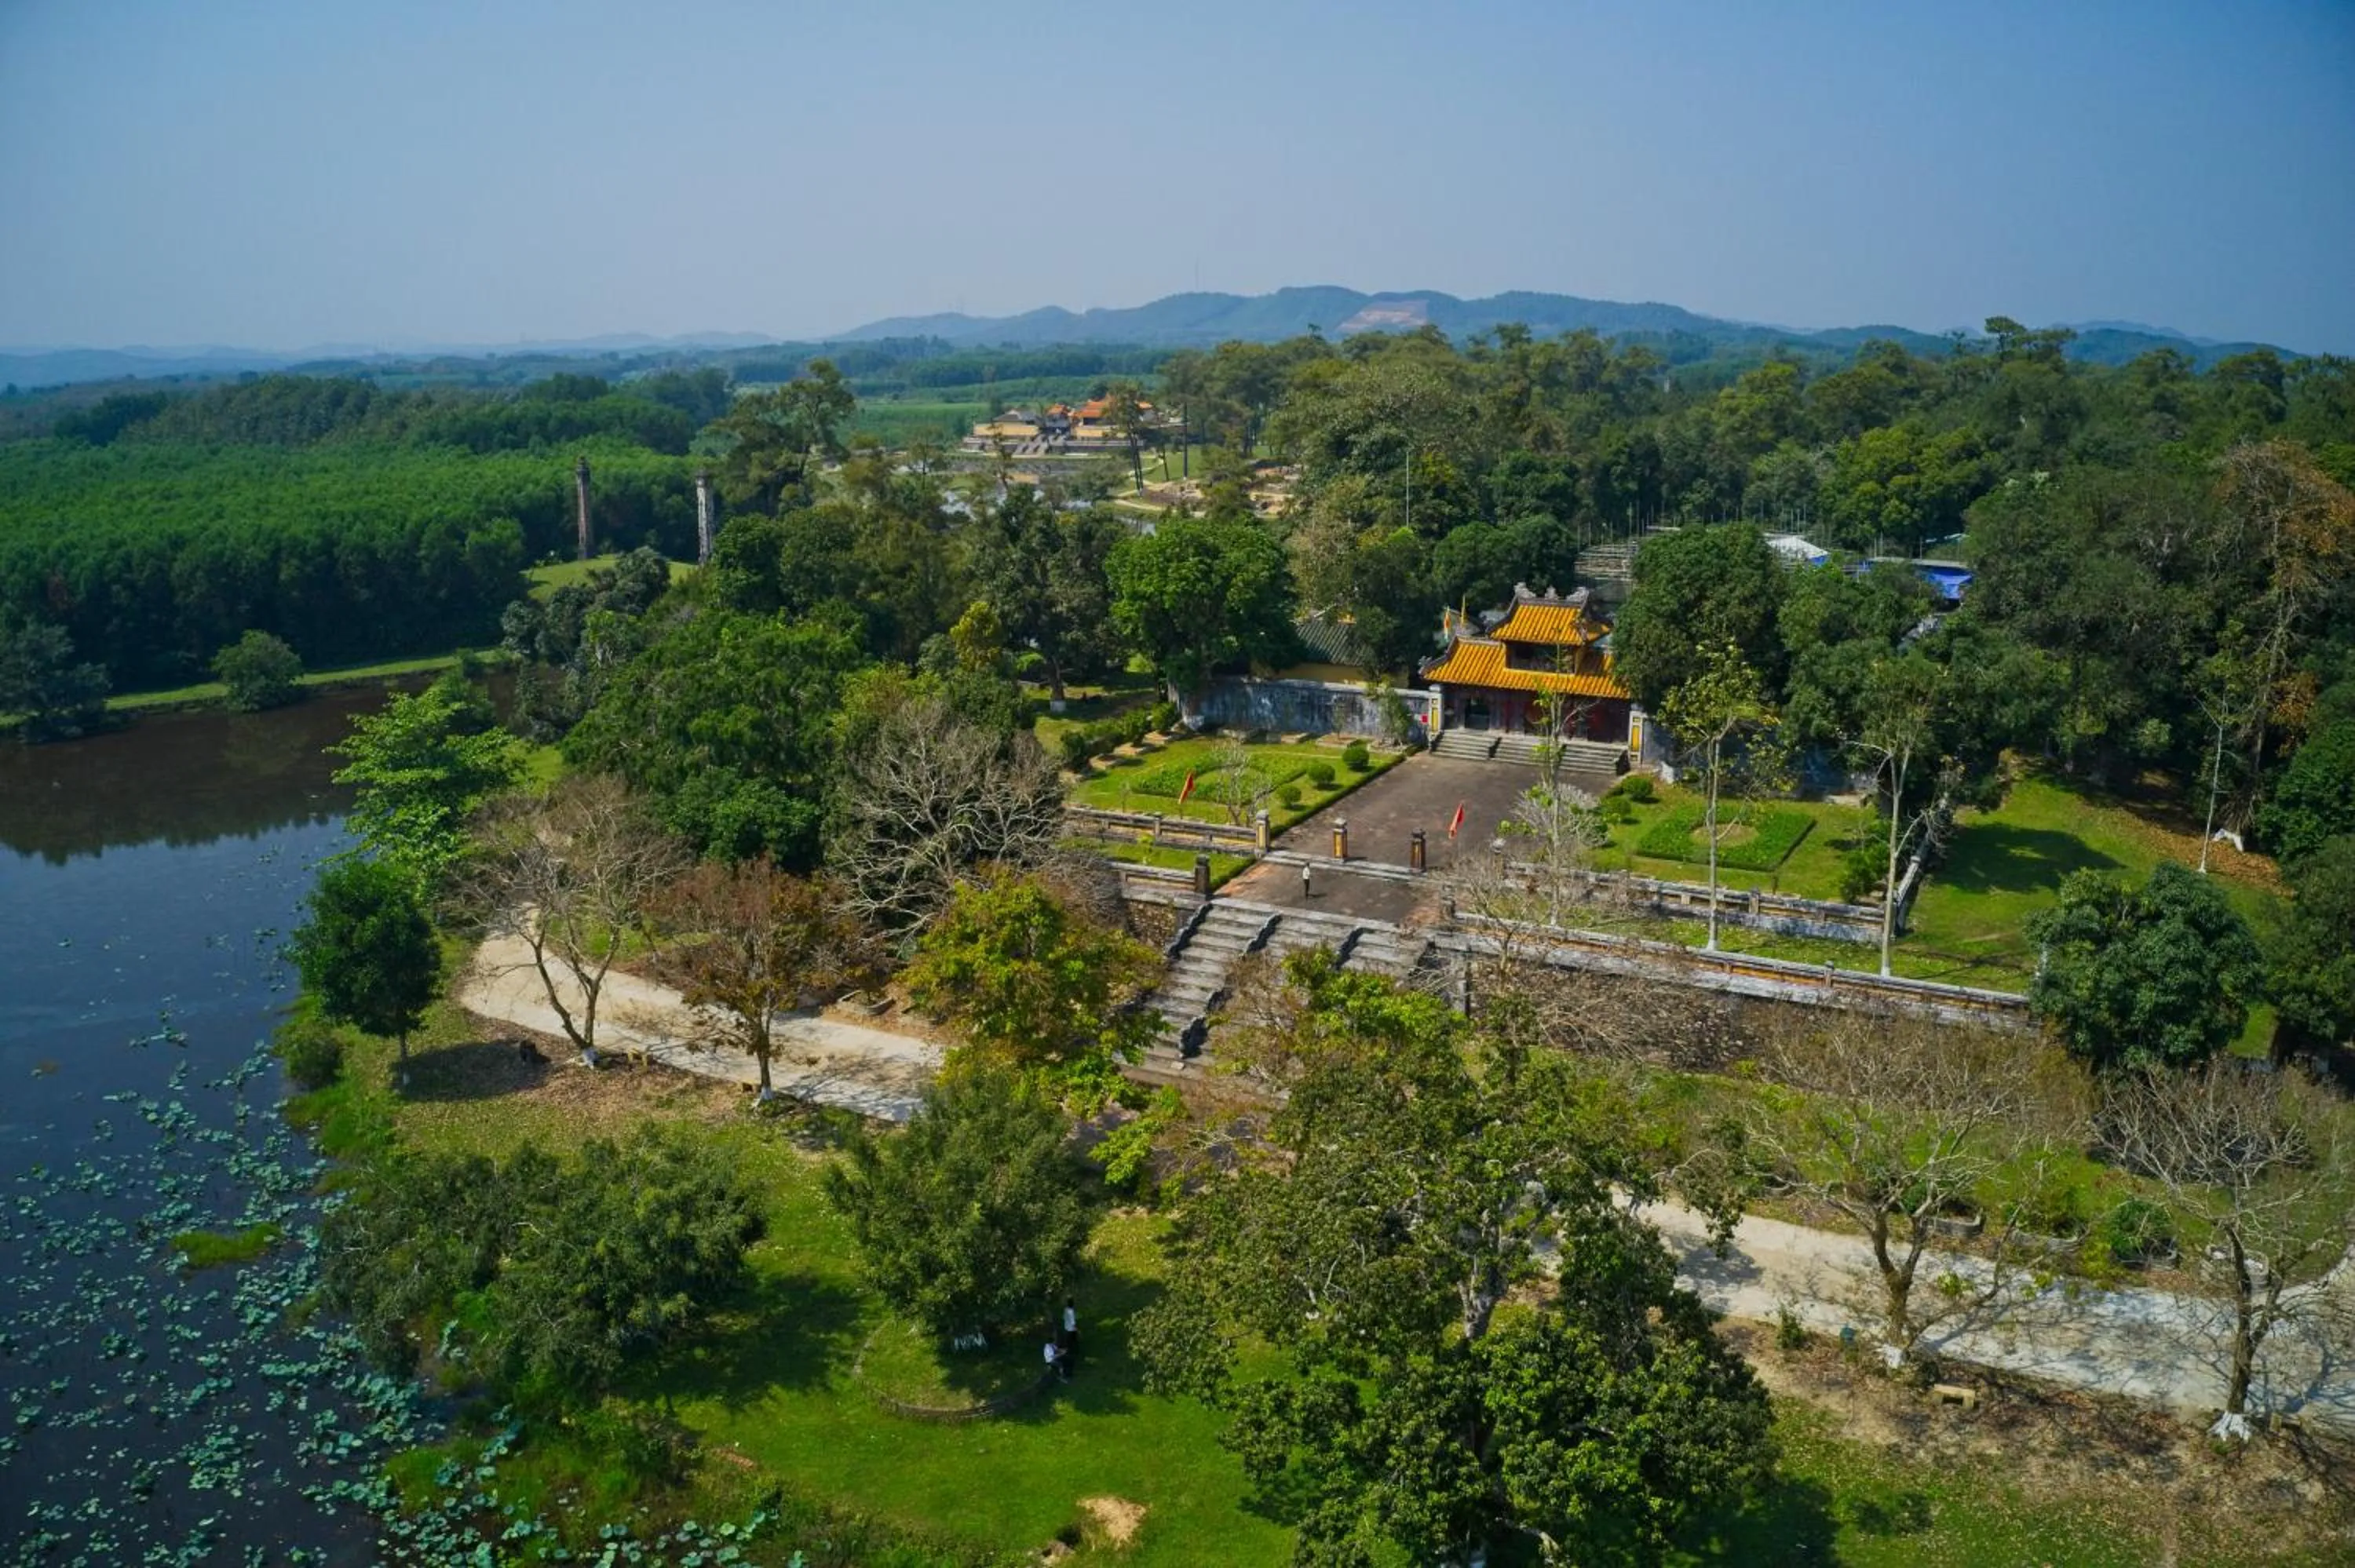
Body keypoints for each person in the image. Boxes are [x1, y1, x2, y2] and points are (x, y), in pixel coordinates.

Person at [1061, 1297, 1078, 1367]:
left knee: (1067, 1343)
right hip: (1071, 1330)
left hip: (1066, 1328)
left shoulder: (1066, 1309)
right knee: (1073, 1343)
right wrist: (1077, 1330)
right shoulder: (1071, 1311)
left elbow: (1063, 1318)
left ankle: (1067, 1354)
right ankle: (1073, 1355)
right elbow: (1073, 1323)